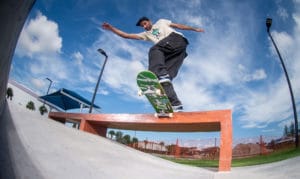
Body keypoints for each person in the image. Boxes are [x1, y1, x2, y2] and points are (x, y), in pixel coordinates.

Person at [102, 17, 204, 112]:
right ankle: (176, 105)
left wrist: (194, 29)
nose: (145, 27)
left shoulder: (161, 22)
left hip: (176, 40)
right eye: (143, 26)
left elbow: (179, 26)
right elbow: (126, 35)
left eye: (145, 24)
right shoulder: (145, 34)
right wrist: (111, 28)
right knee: (165, 80)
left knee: (155, 49)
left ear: (149, 21)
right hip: (177, 53)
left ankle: (160, 74)